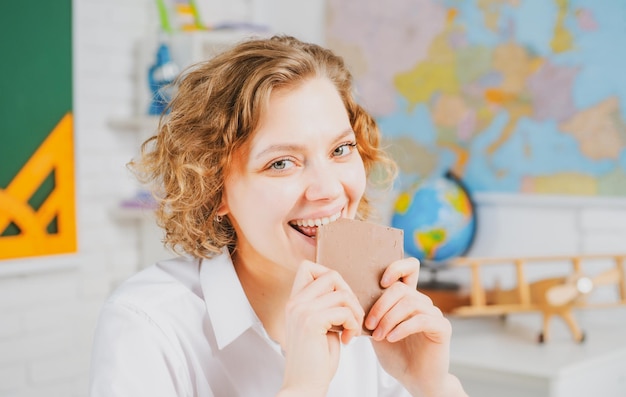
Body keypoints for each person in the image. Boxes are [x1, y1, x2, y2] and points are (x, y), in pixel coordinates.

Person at [89, 34, 467, 397]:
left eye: (340, 149)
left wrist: (433, 386)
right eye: (282, 163)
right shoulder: (147, 324)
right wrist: (303, 389)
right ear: (214, 188)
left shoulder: (377, 323)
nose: (330, 189)